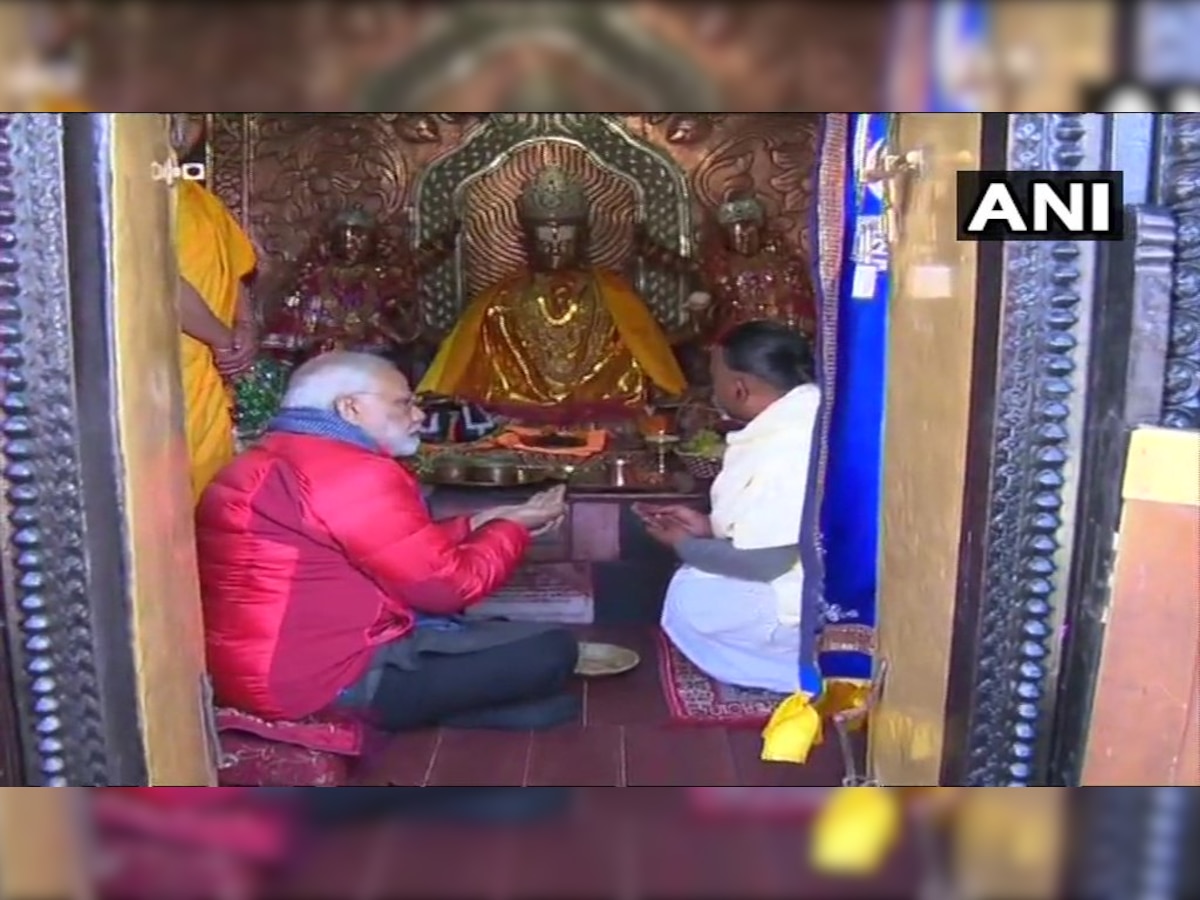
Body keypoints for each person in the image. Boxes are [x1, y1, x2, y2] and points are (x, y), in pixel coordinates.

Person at [195, 351, 582, 732]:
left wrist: (481, 523)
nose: (419, 416)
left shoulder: (278, 454)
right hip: (317, 685)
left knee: (497, 636)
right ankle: (405, 715)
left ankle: (462, 711)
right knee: (552, 648)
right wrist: (511, 530)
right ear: (351, 408)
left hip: (260, 673)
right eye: (403, 404)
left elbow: (384, 548)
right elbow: (449, 588)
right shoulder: (349, 471)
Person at [417, 164, 687, 422]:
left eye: (565, 234)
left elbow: (648, 358)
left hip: (602, 412)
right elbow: (471, 371)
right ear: (527, 239)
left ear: (582, 237)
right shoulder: (499, 300)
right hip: (513, 413)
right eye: (545, 236)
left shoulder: (614, 295)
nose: (555, 245)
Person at [635, 320, 819, 694]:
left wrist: (683, 545)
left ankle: (806, 672)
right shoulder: (794, 422)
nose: (710, 389)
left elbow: (765, 562)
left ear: (740, 388)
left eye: (714, 377)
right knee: (698, 577)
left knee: (694, 597)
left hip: (820, 595)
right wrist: (707, 527)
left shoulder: (791, 445)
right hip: (808, 572)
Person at [171, 114, 260, 502]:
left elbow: (235, 270)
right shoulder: (135, 198)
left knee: (208, 499)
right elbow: (159, 282)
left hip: (211, 370)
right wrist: (222, 338)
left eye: (191, 120)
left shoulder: (200, 199)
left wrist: (246, 327)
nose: (181, 129)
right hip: (169, 370)